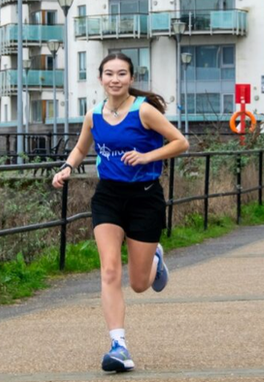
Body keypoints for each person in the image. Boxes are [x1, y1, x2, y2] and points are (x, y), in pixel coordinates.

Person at [52, 52, 189, 373]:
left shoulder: (145, 111)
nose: (115, 79)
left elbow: (181, 142)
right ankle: (119, 346)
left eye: (122, 74)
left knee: (140, 284)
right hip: (108, 197)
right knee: (110, 270)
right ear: (100, 78)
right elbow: (81, 147)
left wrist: (146, 156)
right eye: (109, 74)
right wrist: (67, 167)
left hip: (145, 198)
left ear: (131, 78)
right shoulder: (94, 115)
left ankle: (154, 257)